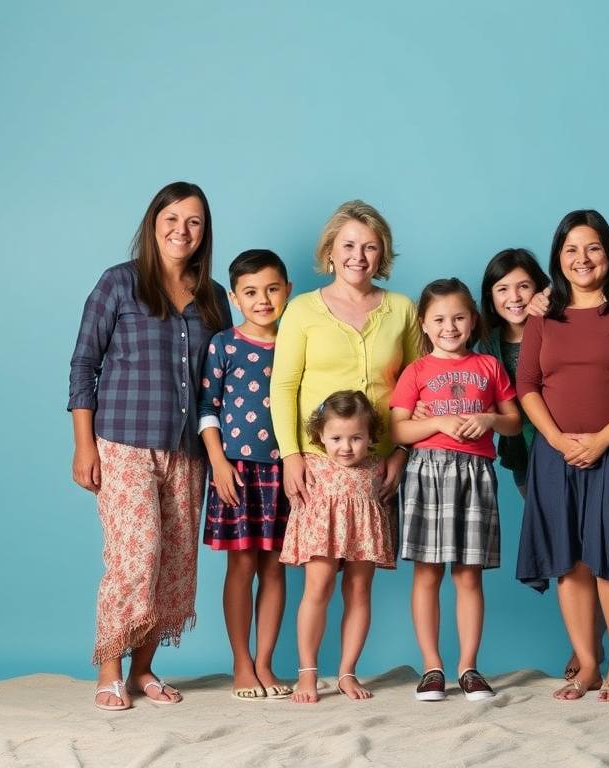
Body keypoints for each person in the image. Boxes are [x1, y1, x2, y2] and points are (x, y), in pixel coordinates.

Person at [69, 181, 231, 711]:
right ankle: (109, 669)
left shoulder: (213, 298)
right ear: (153, 221)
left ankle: (143, 670)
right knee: (134, 559)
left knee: (175, 564)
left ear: (205, 233)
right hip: (122, 444)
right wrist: (84, 445)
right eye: (173, 218)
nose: (182, 230)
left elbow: (221, 380)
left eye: (195, 222)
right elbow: (83, 366)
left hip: (188, 451)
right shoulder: (119, 283)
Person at [269, 200, 420, 701]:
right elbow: (285, 384)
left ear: (383, 254)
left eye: (370, 247)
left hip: (375, 469)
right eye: (349, 245)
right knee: (318, 582)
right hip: (317, 470)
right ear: (330, 252)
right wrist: (291, 455)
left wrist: (399, 454)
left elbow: (417, 385)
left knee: (360, 584)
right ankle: (309, 672)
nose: (359, 255)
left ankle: (349, 670)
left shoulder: (401, 309)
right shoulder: (302, 310)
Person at [516, 210, 609, 703]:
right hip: (555, 452)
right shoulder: (543, 314)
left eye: (593, 248)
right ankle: (587, 665)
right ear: (558, 259)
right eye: (571, 250)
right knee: (571, 561)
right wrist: (558, 441)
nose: (583, 259)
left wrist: (603, 438)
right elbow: (527, 386)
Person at [479, 248, 608, 681]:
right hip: (530, 460)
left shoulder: (560, 320)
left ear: (540, 288)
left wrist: (553, 296)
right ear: (490, 297)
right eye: (502, 289)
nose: (514, 296)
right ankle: (585, 642)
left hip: (581, 446)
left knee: (594, 548)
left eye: (523, 286)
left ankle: (588, 647)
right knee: (564, 551)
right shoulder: (487, 344)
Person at [391, 278, 522, 702]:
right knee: (427, 572)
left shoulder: (489, 367)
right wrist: (438, 423)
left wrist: (487, 421)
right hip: (427, 473)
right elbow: (398, 427)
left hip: (474, 473)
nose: (450, 327)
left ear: (473, 321)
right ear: (424, 325)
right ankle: (432, 667)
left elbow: (514, 421)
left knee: (468, 575)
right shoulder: (416, 371)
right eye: (440, 319)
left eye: (459, 317)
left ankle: (468, 667)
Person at [197, 249, 293, 701]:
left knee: (275, 567)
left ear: (287, 290)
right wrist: (218, 463)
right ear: (235, 298)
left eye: (272, 289)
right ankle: (241, 662)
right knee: (241, 565)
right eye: (251, 292)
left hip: (285, 471)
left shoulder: (298, 341)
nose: (263, 299)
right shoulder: (224, 344)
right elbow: (207, 407)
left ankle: (266, 662)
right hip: (235, 470)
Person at [279, 391, 396, 703]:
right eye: (336, 438)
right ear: (320, 435)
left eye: (356, 438)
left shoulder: (376, 465)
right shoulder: (310, 464)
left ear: (371, 436)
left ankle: (347, 672)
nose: (346, 448)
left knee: (359, 593)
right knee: (318, 589)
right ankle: (307, 672)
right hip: (323, 531)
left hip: (362, 533)